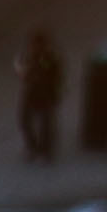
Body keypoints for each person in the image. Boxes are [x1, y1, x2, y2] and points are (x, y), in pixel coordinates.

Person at [18, 29, 63, 163]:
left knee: (46, 123)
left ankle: (46, 151)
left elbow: (52, 73)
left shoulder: (49, 57)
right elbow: (25, 73)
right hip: (31, 92)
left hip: (46, 93)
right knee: (25, 121)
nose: (33, 47)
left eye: (37, 44)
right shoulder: (30, 56)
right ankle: (33, 148)